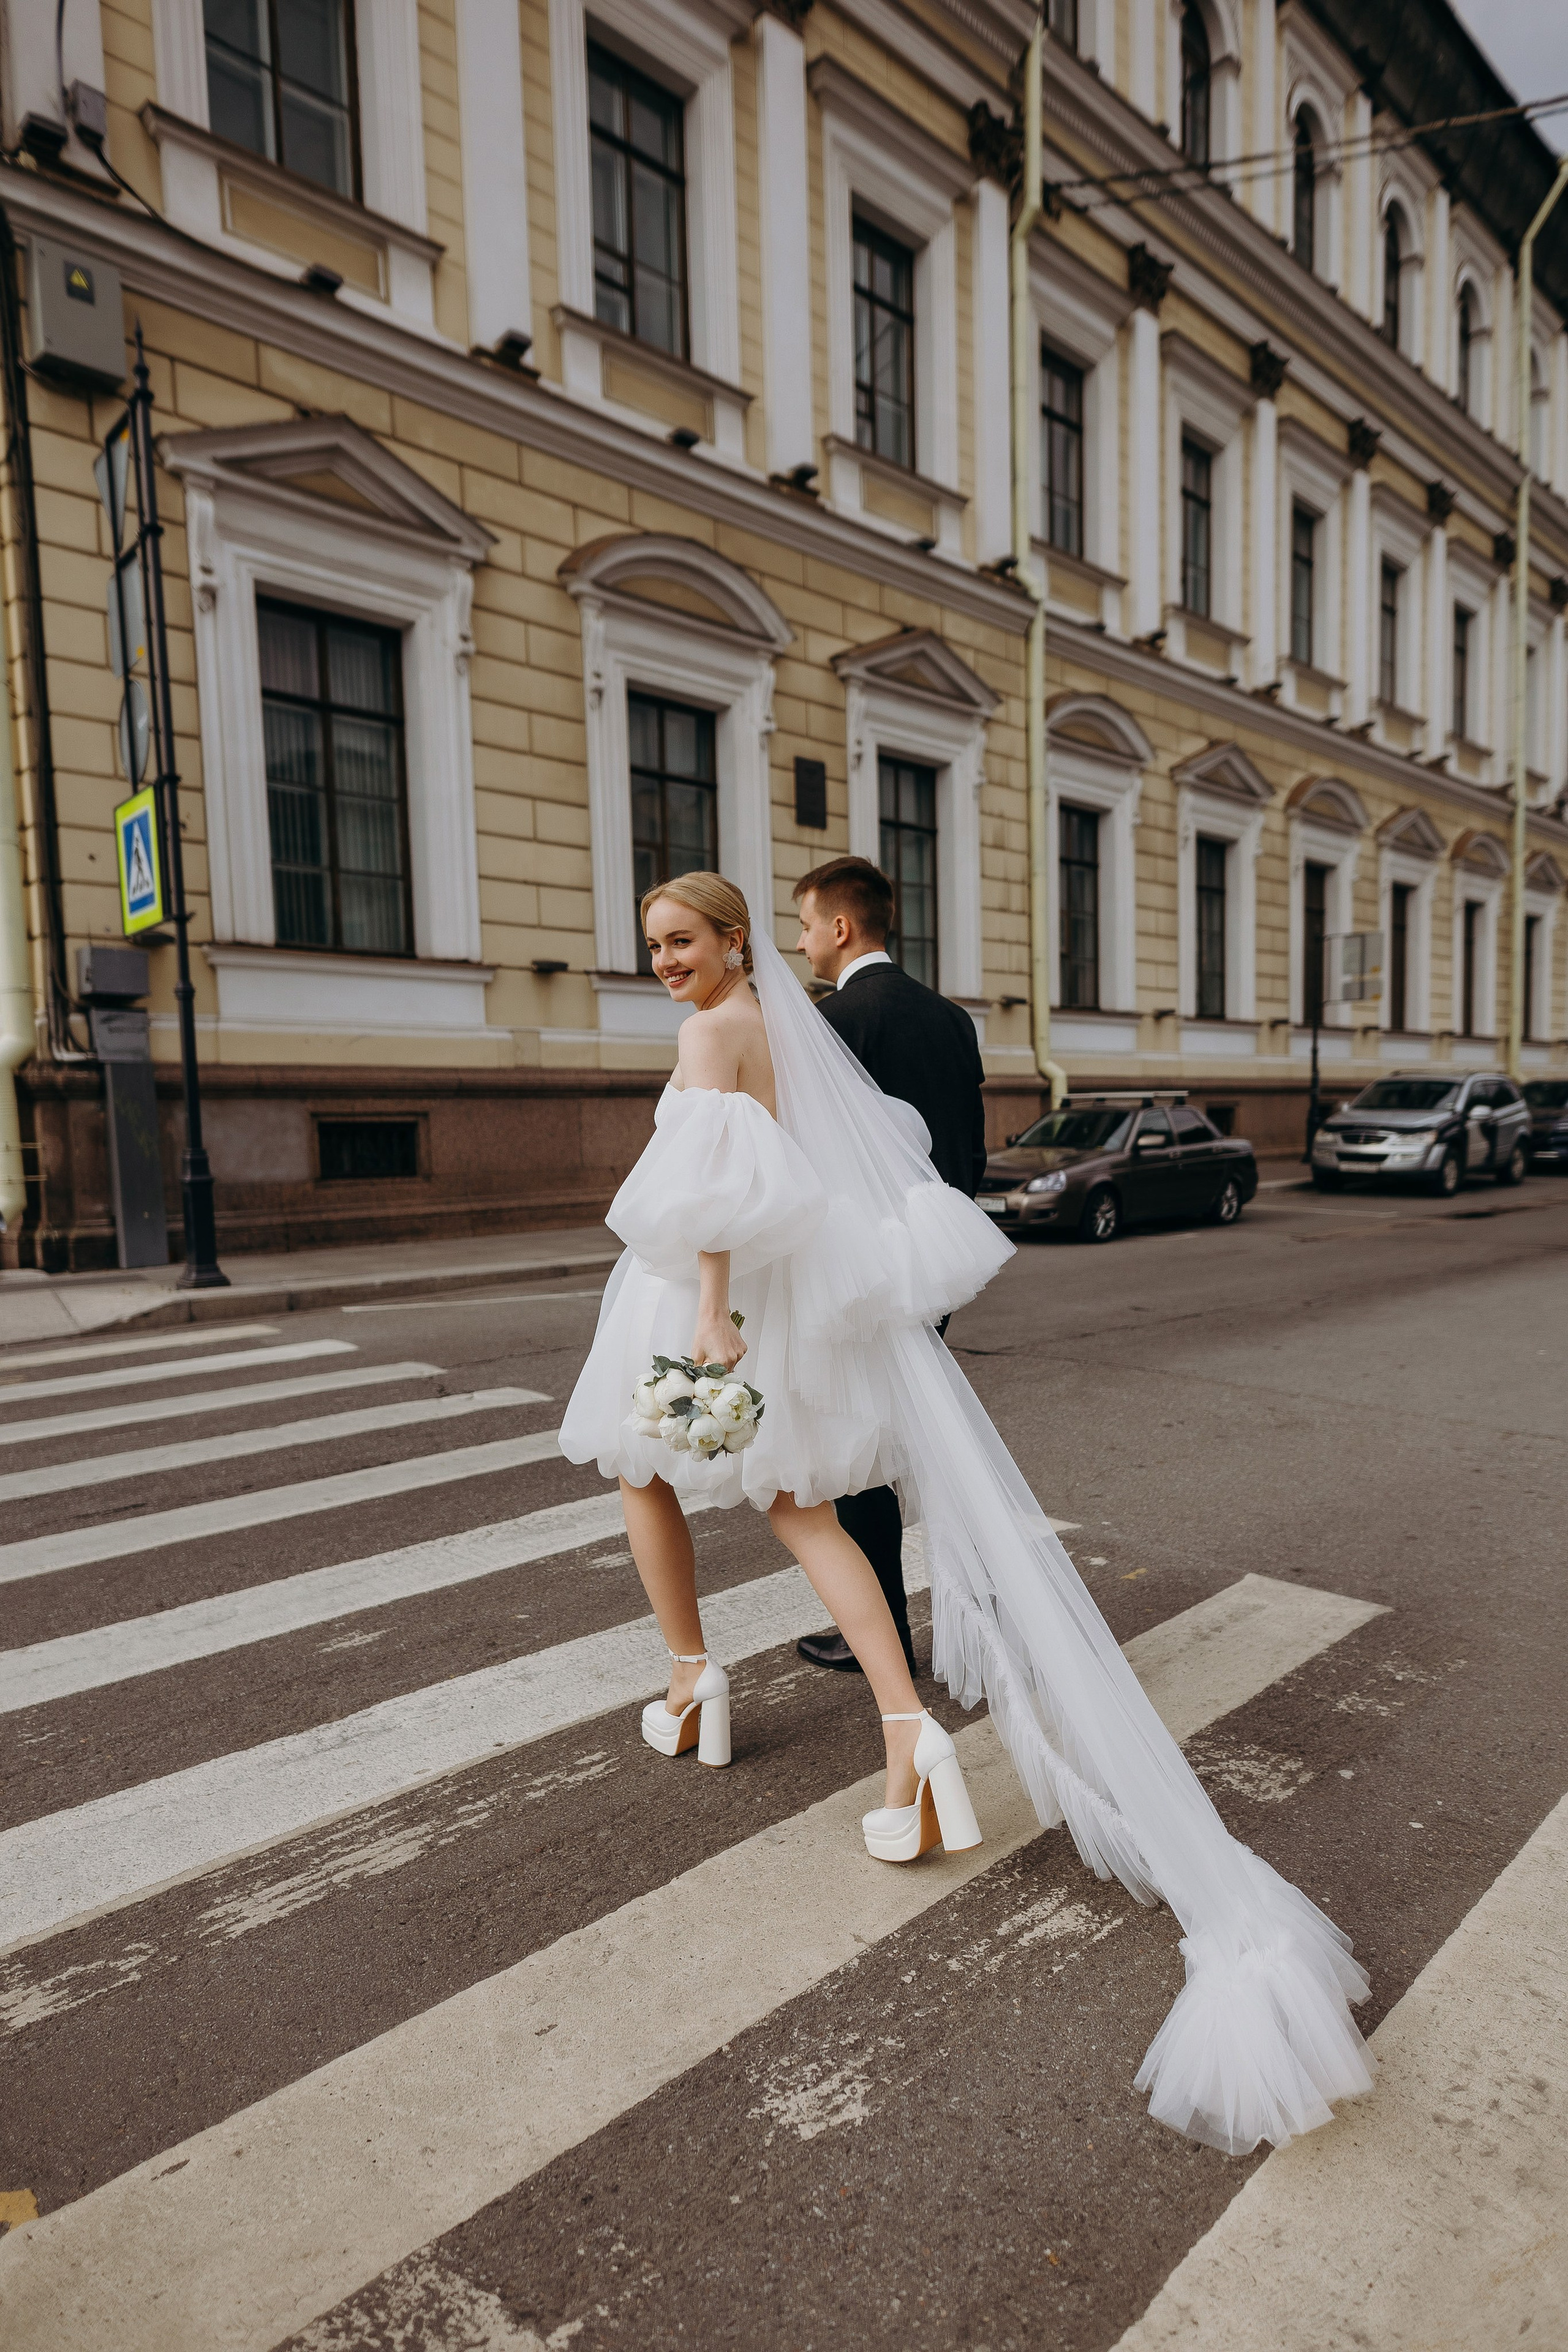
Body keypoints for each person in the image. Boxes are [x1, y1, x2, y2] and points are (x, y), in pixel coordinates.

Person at [559, 870, 1374, 2154]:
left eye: (681, 941)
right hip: (787, 1305)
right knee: (801, 1509)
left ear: (733, 943)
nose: (664, 960)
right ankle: (904, 1731)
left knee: (637, 1472)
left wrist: (709, 1310)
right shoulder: (793, 1027)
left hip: (698, 1304)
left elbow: (711, 1194)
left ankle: (688, 1682)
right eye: (651, 943)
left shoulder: (710, 1031)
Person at [791, 855, 987, 1679]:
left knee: (858, 1457)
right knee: (915, 1438)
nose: (801, 944)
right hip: (936, 1260)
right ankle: (954, 1615)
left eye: (804, 926)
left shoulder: (836, 1023)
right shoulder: (951, 1019)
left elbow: (815, 1161)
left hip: (859, 1272)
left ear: (840, 928)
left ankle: (879, 1634)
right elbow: (968, 1150)